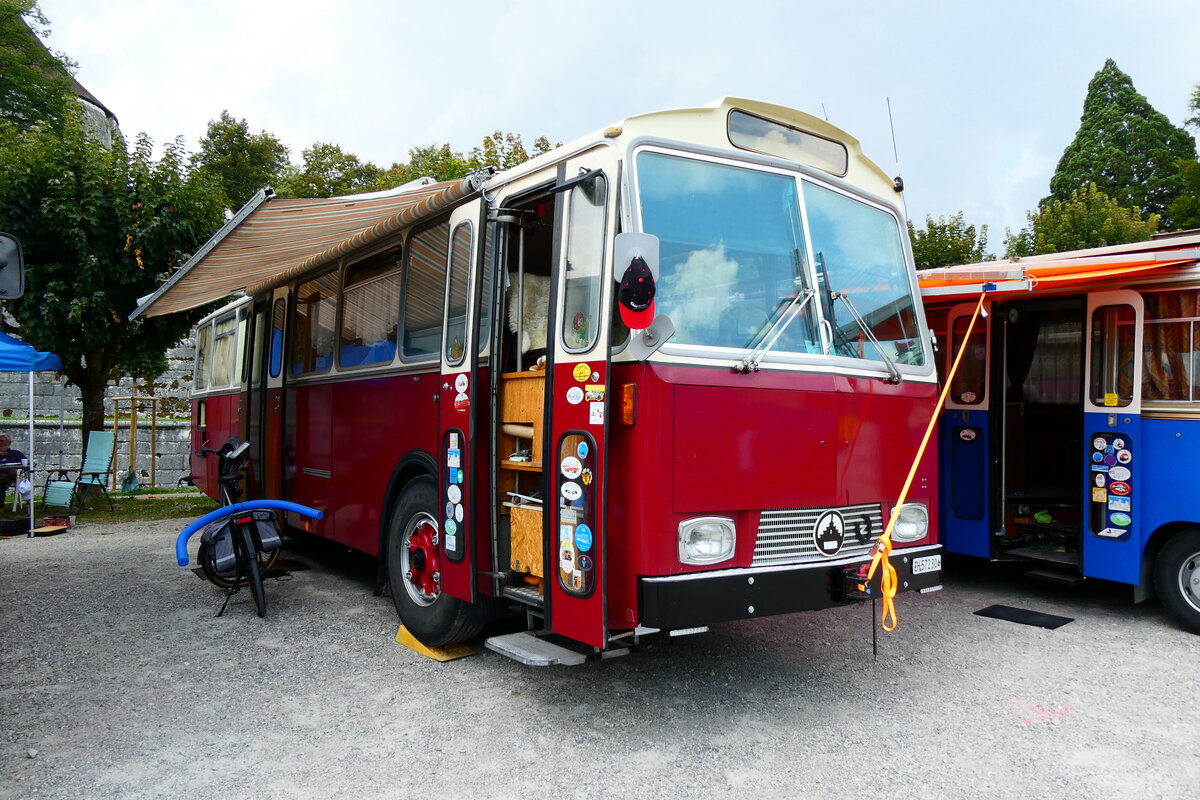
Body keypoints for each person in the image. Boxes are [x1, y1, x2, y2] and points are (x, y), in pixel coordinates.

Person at [0, 434, 27, 502]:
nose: (0, 443)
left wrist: (19, 470)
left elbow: (27, 464)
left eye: (2, 441)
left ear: (8, 443)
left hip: (8, 476)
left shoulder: (15, 454)